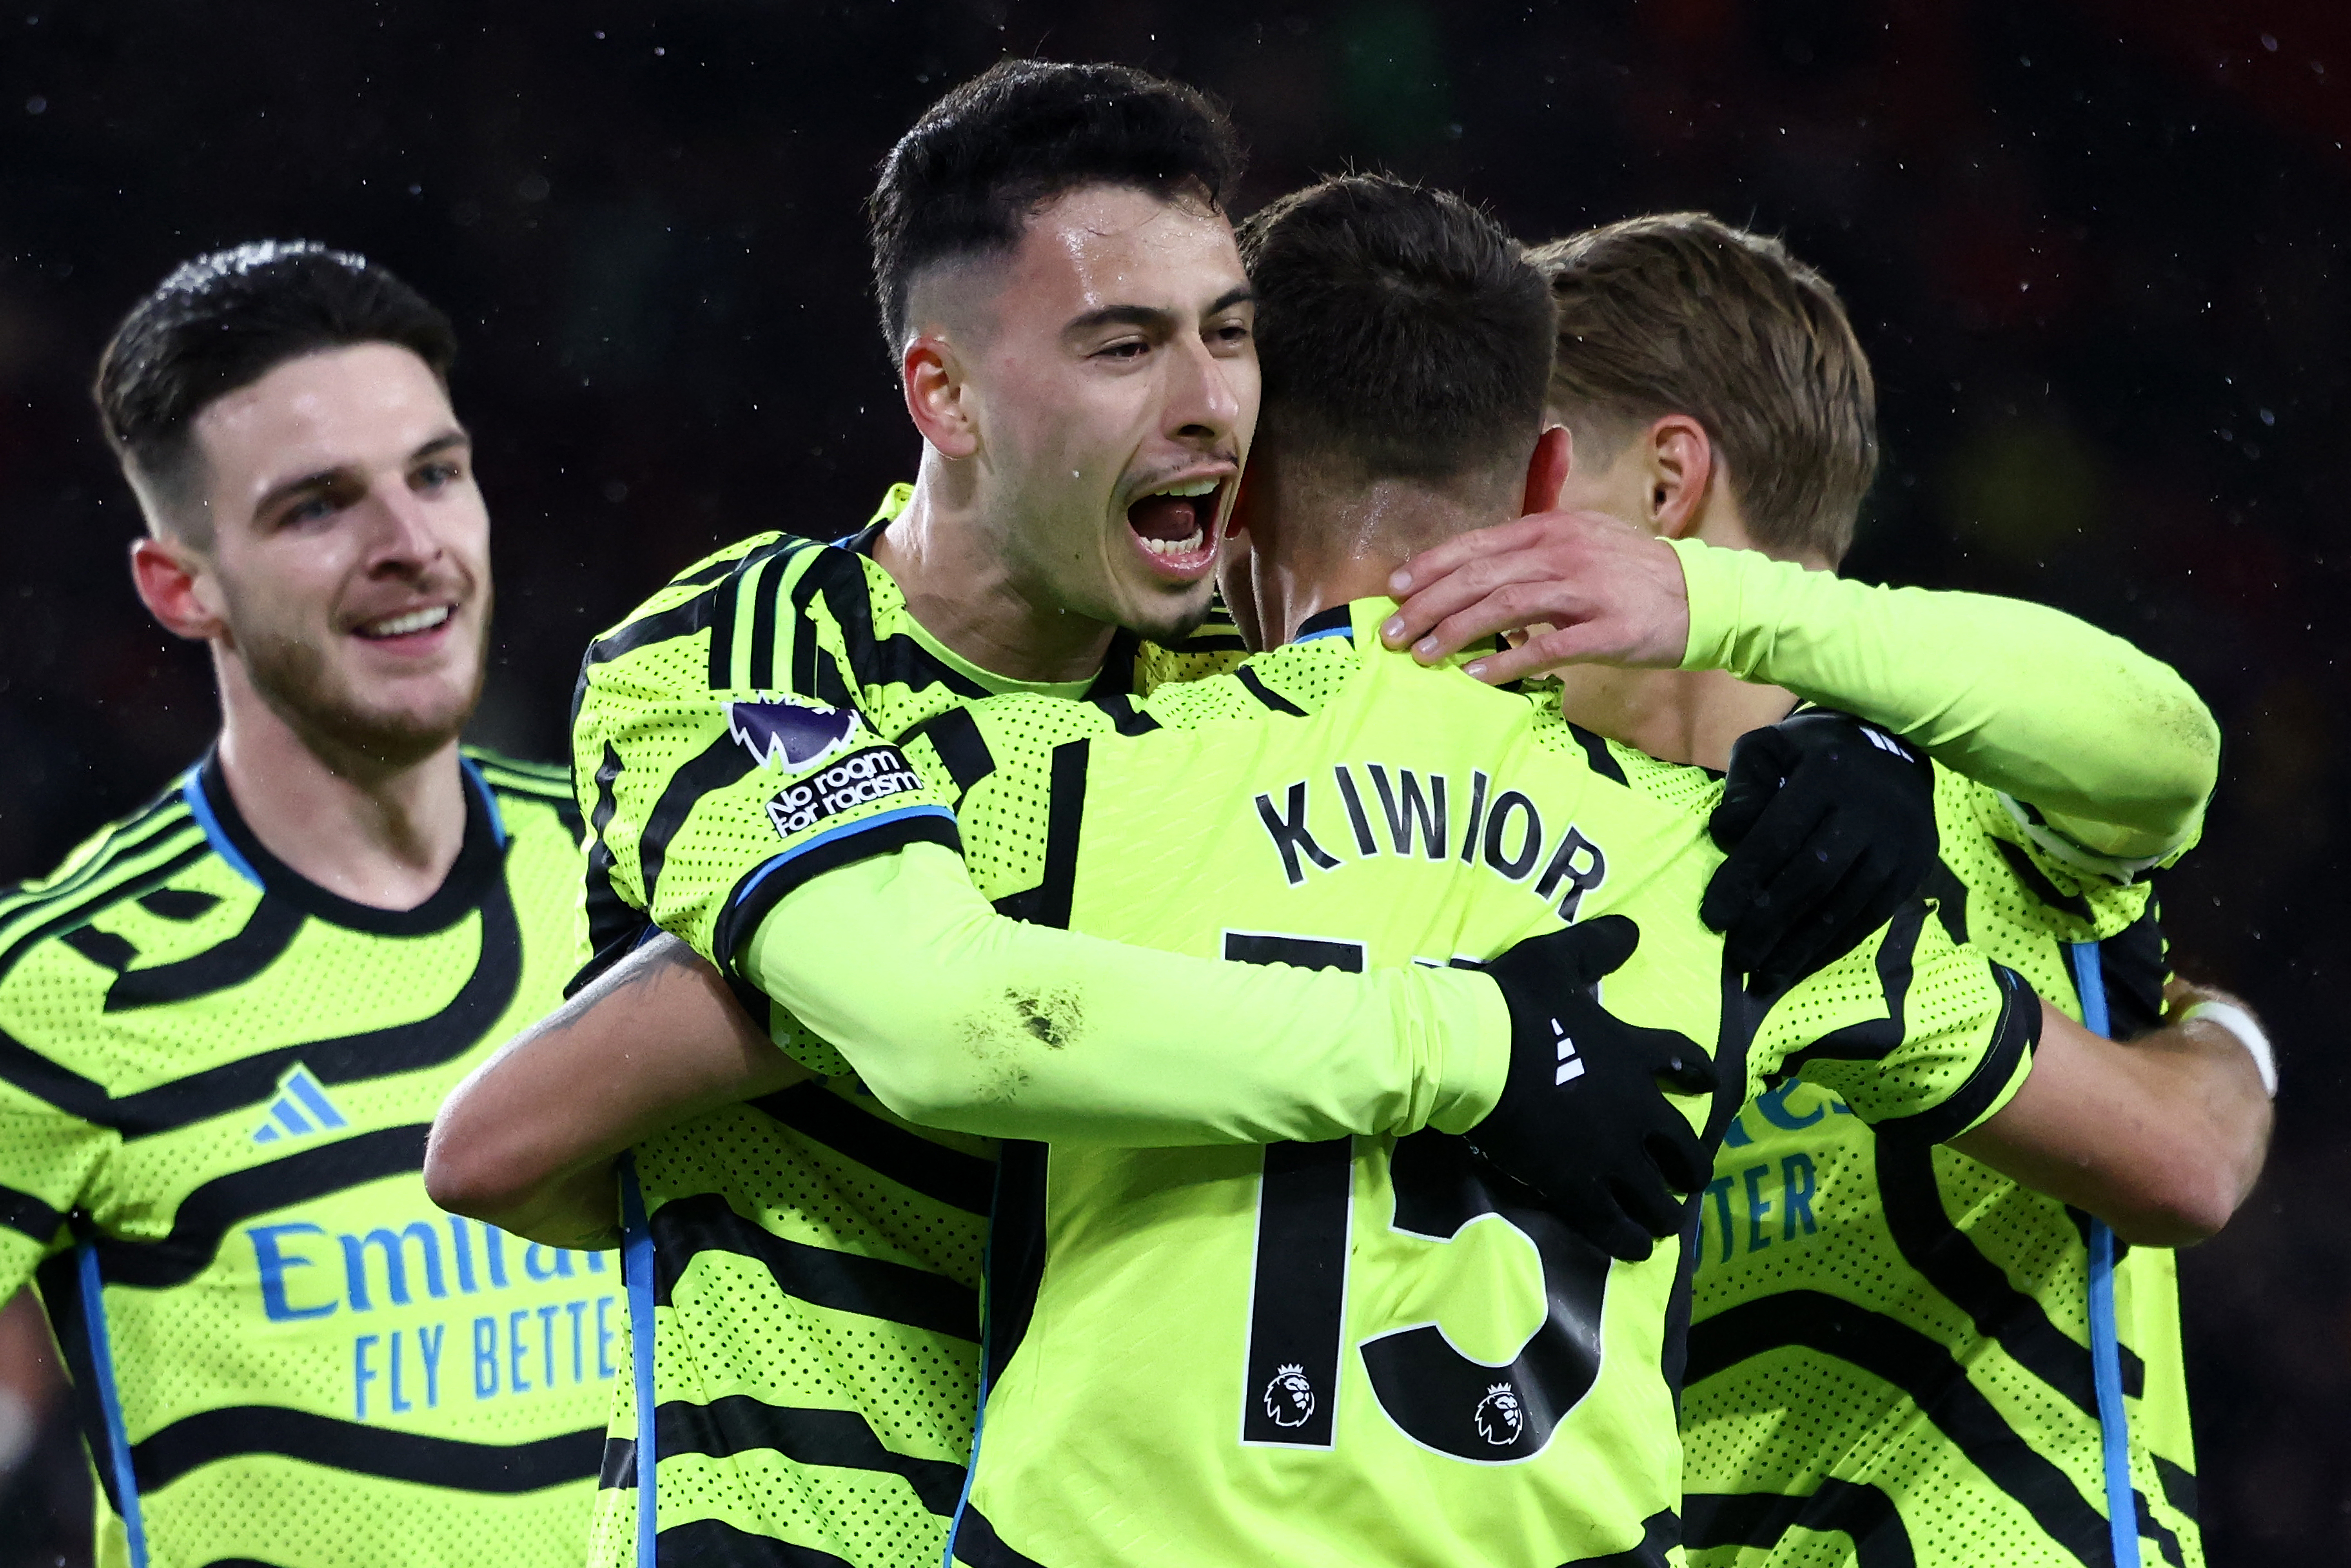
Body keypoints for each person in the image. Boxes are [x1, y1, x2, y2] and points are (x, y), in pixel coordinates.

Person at [441, 174, 2264, 1568]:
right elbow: (2175, 1119)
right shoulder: (1752, 887)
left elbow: (507, 1134)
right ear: (1531, 459)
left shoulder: (1076, 790)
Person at [430, 62, 1768, 1568]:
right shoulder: (742, 654)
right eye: (1124, 346)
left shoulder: (1240, 671)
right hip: (798, 1535)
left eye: (1231, 336)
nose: (1208, 408)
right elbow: (940, 1021)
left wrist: (1830, 746)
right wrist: (1470, 1043)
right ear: (944, 393)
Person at [1379, 212, 2275, 1566]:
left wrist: (1722, 607)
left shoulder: (1974, 789)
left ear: (1667, 485)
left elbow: (2169, 750)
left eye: (1531, 475)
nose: (1491, 535)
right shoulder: (1514, 850)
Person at [0, 243, 615, 1567]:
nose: (411, 546)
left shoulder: (646, 876)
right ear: (184, 587)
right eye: (317, 507)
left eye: (437, 475)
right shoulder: (66, 986)